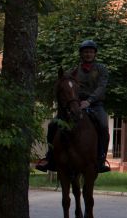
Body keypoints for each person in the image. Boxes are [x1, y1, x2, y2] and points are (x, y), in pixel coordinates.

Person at [36, 39, 111, 173]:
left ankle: (101, 159)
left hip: (95, 104)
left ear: (95, 54)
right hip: (75, 103)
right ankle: (50, 157)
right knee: (53, 125)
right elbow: (67, 87)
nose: (88, 54)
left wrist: (89, 101)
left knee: (104, 126)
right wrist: (75, 101)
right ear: (81, 54)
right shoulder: (74, 70)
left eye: (91, 52)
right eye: (85, 52)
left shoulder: (101, 69)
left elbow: (101, 88)